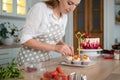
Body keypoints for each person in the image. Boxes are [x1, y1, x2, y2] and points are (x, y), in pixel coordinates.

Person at [16, 0, 81, 66]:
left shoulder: (64, 16)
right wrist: (55, 48)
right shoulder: (40, 8)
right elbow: (25, 39)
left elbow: (55, 38)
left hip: (45, 62)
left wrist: (64, 45)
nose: (72, 8)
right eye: (69, 3)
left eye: (76, 5)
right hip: (28, 62)